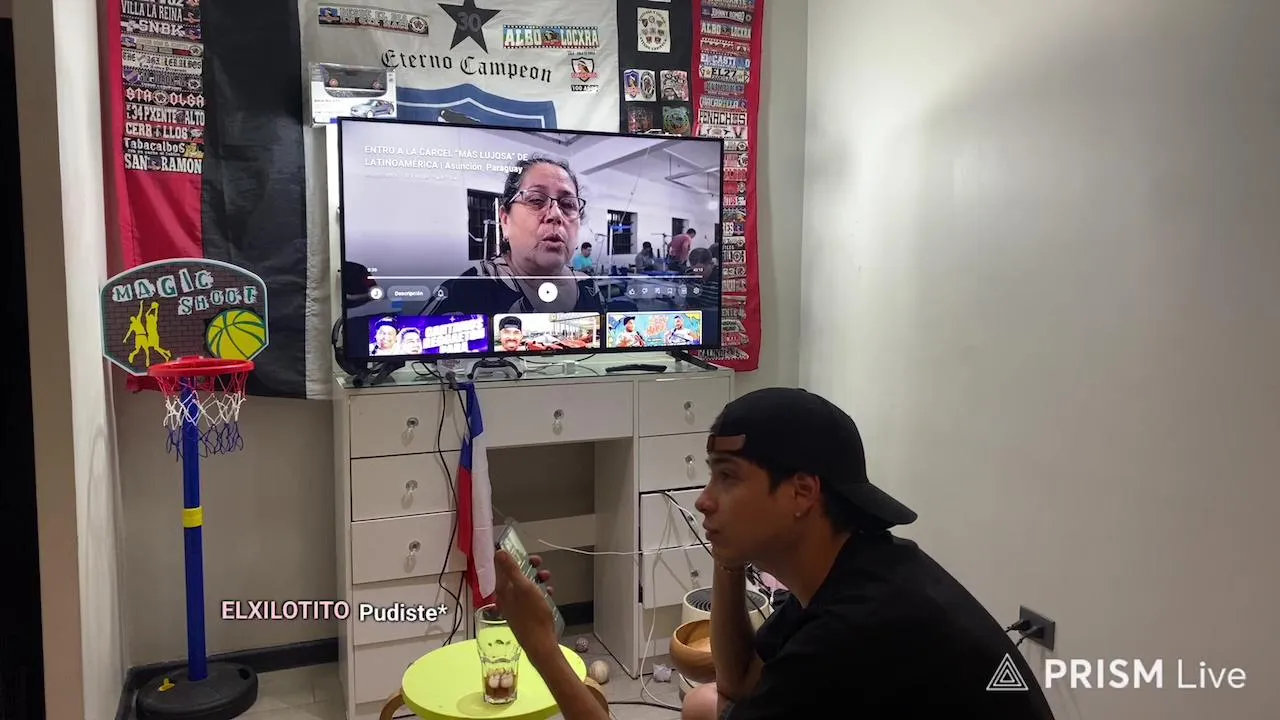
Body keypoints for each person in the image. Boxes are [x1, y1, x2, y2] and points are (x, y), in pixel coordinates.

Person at [492, 388, 1056, 720]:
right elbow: (740, 682)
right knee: (706, 704)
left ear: (802, 493)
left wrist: (543, 649)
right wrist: (729, 555)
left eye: (728, 477)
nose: (703, 500)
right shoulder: (856, 562)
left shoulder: (852, 633)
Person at [418, 157, 605, 316]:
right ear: (505, 220)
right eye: (536, 200)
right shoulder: (464, 293)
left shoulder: (589, 289)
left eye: (568, 204)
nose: (556, 214)